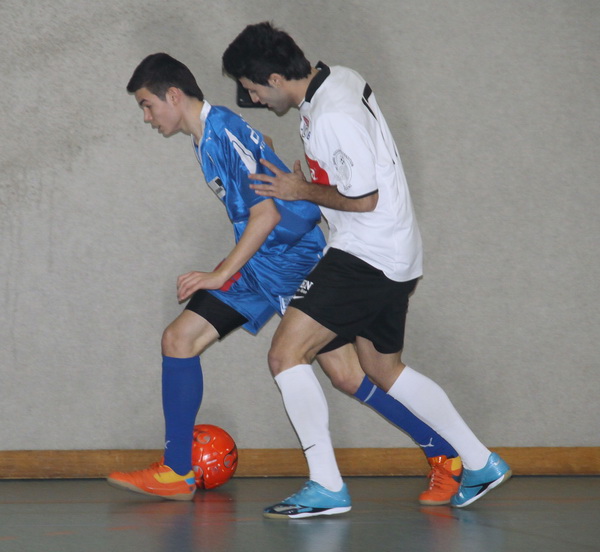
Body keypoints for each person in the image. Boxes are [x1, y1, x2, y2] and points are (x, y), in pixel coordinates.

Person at [107, 53, 463, 505]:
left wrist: (219, 273)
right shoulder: (208, 135)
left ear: (173, 95)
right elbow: (262, 154)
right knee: (179, 340)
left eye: (147, 105)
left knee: (348, 375)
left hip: (293, 263)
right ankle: (177, 470)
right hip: (259, 267)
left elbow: (267, 215)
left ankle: (445, 454)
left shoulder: (221, 130)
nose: (147, 116)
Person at [222, 22, 511, 516]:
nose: (253, 99)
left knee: (285, 354)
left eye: (253, 89)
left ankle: (326, 486)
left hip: (367, 254)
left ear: (274, 78)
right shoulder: (338, 77)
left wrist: (301, 190)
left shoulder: (332, 114)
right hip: (393, 251)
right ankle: (480, 461)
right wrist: (310, 184)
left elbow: (364, 198)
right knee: (383, 369)